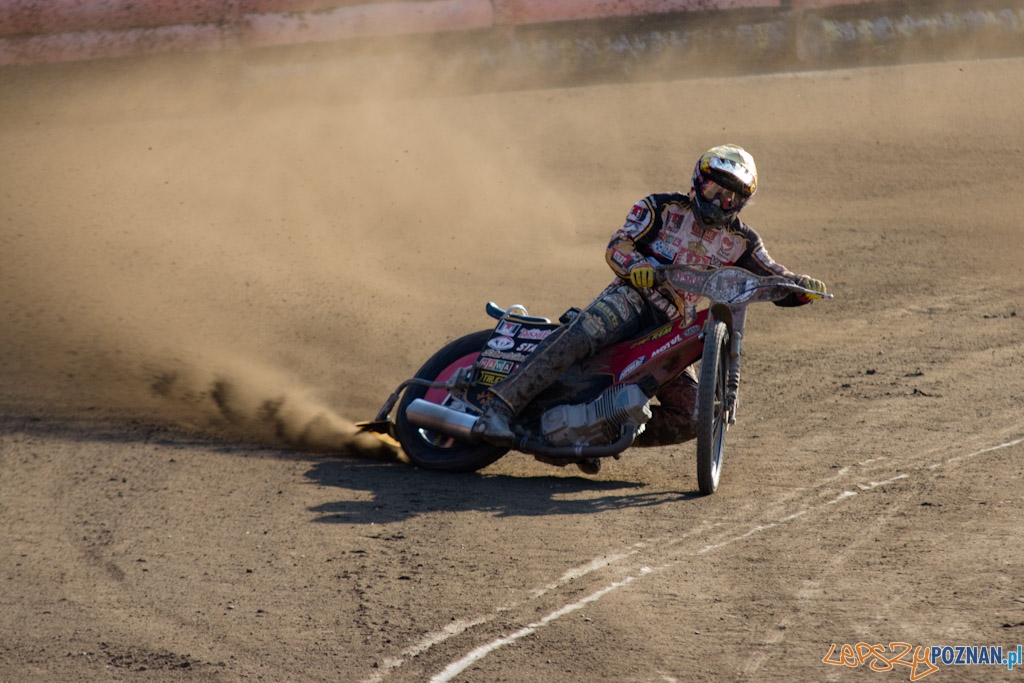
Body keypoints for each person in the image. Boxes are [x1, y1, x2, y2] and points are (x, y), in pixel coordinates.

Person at [472, 144, 827, 472]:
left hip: (673, 325)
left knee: (691, 414)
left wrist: (801, 286)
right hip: (631, 298)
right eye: (713, 191)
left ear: (741, 203)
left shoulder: (743, 241)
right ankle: (500, 407)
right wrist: (636, 266)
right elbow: (618, 244)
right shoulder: (660, 208)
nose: (720, 203)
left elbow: (772, 275)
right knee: (586, 332)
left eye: (730, 197)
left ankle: (596, 435)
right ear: (697, 183)